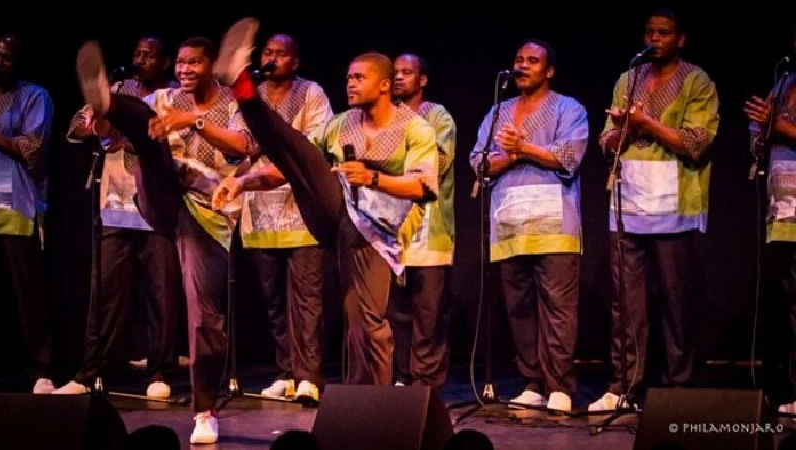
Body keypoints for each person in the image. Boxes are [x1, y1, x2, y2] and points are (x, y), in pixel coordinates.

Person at [210, 18, 438, 386]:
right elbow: (293, 166)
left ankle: (371, 401)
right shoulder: (340, 124)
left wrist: (374, 178)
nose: (349, 83)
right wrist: (242, 182)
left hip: (376, 234)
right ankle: (243, 87)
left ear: (384, 84)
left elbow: (423, 186)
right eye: (348, 77)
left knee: (363, 319)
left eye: (359, 78)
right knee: (296, 149)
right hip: (335, 214)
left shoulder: (415, 127)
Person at [73, 36, 256, 444]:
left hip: (208, 215)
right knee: (147, 139)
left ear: (211, 66)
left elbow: (246, 144)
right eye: (183, 64)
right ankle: (112, 102)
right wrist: (103, 120)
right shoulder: (166, 97)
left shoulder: (229, 105)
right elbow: (110, 133)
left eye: (194, 64)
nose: (185, 71)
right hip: (161, 197)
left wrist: (192, 121)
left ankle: (204, 409)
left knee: (203, 315)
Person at [589, 8, 719, 411]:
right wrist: (621, 130)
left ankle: (679, 385)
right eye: (649, 32)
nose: (654, 39)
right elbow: (606, 140)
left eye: (663, 33)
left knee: (676, 298)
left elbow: (697, 142)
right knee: (625, 302)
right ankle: (623, 386)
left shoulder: (697, 81)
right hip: (627, 203)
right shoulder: (628, 79)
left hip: (673, 204)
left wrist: (644, 122)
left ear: (680, 39)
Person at [58, 35, 182, 399]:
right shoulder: (115, 89)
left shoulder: (174, 97)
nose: (141, 60)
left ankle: (160, 370)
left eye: (150, 55)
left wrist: (128, 137)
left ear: (165, 62)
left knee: (162, 293)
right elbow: (76, 128)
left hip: (157, 207)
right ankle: (93, 371)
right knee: (106, 292)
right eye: (137, 53)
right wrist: (99, 125)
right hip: (115, 205)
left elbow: (171, 143)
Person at [469, 39, 588, 412]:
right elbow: (479, 162)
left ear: (548, 71)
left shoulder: (568, 108)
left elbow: (570, 154)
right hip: (510, 225)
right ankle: (533, 381)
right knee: (519, 308)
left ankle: (561, 387)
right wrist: (513, 154)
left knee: (557, 308)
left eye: (532, 61)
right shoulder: (498, 112)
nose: (523, 66)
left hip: (554, 224)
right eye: (518, 59)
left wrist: (522, 150)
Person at [214, 33, 332, 402]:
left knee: (307, 300)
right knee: (274, 301)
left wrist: (249, 172)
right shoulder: (250, 100)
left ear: (295, 62)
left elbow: (305, 154)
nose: (273, 58)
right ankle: (286, 372)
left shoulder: (312, 93)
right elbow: (240, 146)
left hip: (302, 211)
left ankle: (309, 375)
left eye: (281, 54)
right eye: (268, 52)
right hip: (260, 213)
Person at [389, 52, 456, 388]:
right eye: (395, 72)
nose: (399, 77)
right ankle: (402, 378)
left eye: (406, 72)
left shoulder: (437, 117)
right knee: (397, 312)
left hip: (430, 230)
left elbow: (436, 164)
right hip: (389, 229)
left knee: (428, 314)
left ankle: (426, 385)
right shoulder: (382, 117)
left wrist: (388, 165)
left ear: (422, 79)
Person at [0, 33, 54, 394]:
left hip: (17, 207)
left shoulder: (35, 96)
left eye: (7, 57)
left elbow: (31, 148)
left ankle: (40, 370)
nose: (0, 62)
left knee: (28, 297)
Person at [743, 23, 796, 415]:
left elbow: (779, 127)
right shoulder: (784, 81)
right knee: (791, 307)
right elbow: (759, 134)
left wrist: (777, 125)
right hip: (784, 211)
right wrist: (760, 130)